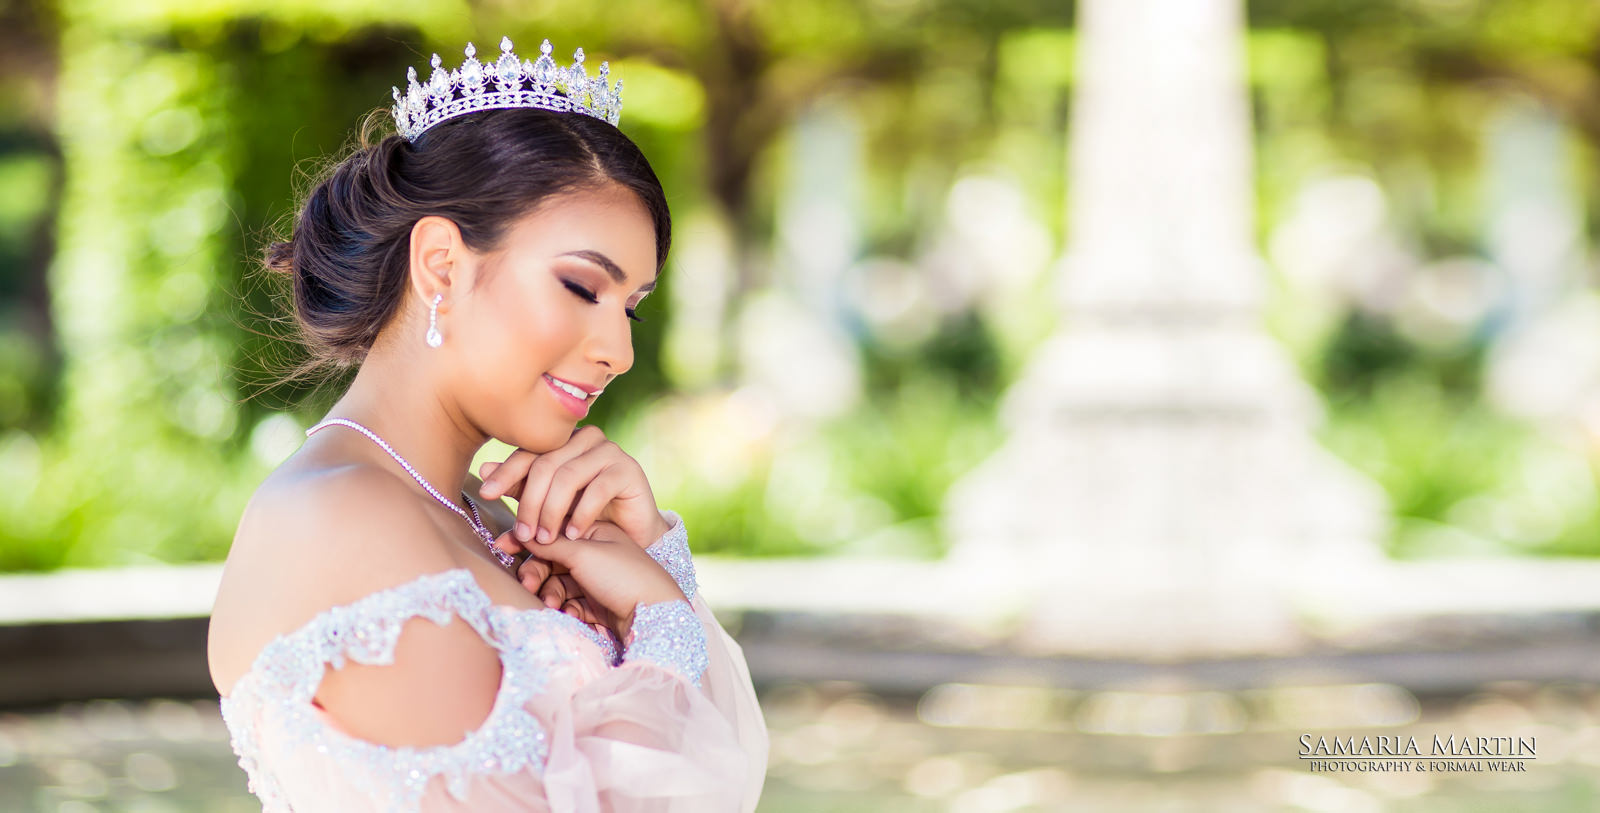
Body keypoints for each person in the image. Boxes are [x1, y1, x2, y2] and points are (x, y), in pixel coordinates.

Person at [205, 37, 769, 812]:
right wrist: (659, 616)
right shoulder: (342, 516)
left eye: (630, 307)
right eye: (581, 286)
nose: (620, 352)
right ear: (441, 264)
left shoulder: (485, 512)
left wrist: (643, 568)